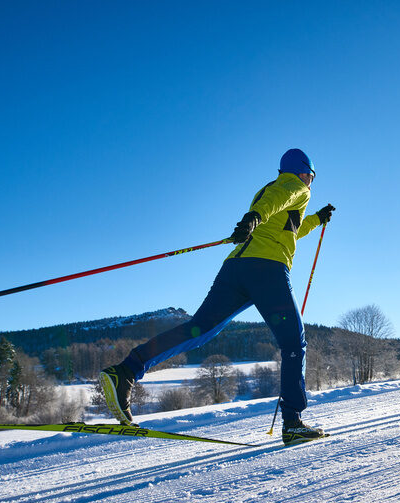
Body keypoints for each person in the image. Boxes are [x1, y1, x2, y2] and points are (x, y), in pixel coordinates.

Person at [99, 149, 335, 445]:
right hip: (267, 270)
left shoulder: (273, 190)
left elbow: (287, 229)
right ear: (301, 172)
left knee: (197, 330)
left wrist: (314, 219)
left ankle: (126, 370)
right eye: (310, 177)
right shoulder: (294, 186)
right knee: (293, 343)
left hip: (236, 268)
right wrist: (254, 216)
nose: (310, 183)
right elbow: (278, 202)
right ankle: (293, 421)